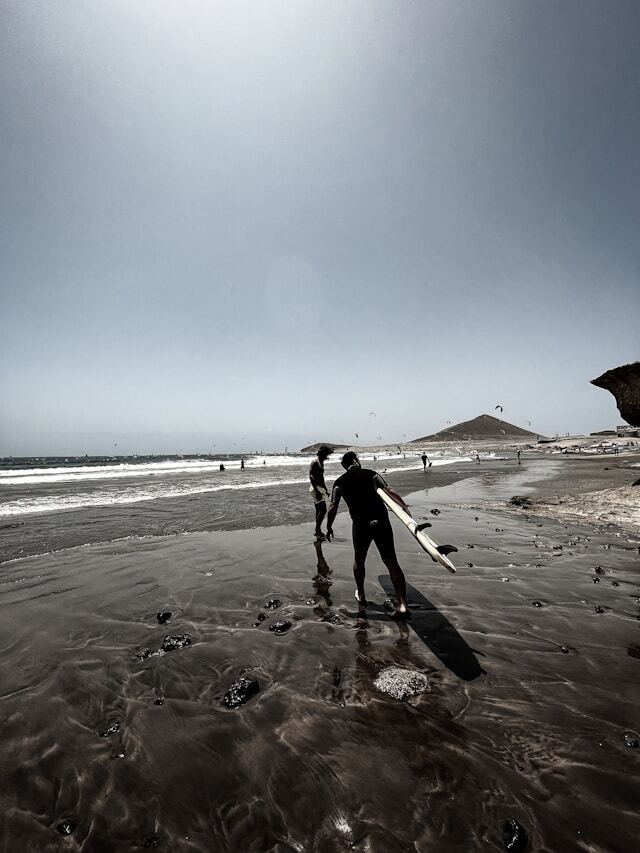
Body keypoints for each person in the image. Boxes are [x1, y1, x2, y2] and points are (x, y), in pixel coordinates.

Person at [325, 451, 410, 619]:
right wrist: (404, 506)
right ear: (356, 461)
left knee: (359, 560)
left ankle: (362, 595)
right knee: (391, 562)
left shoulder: (339, 482)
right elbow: (389, 490)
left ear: (345, 466)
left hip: (361, 526)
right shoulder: (372, 475)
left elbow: (333, 506)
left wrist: (328, 527)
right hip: (381, 522)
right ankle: (402, 605)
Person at [309, 445, 332, 539]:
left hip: (319, 488)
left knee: (319, 510)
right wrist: (317, 491)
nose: (327, 456)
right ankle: (317, 530)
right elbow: (311, 476)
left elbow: (321, 478)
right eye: (326, 454)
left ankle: (318, 531)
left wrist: (325, 489)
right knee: (323, 510)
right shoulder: (315, 462)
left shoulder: (321, 462)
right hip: (315, 489)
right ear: (322, 454)